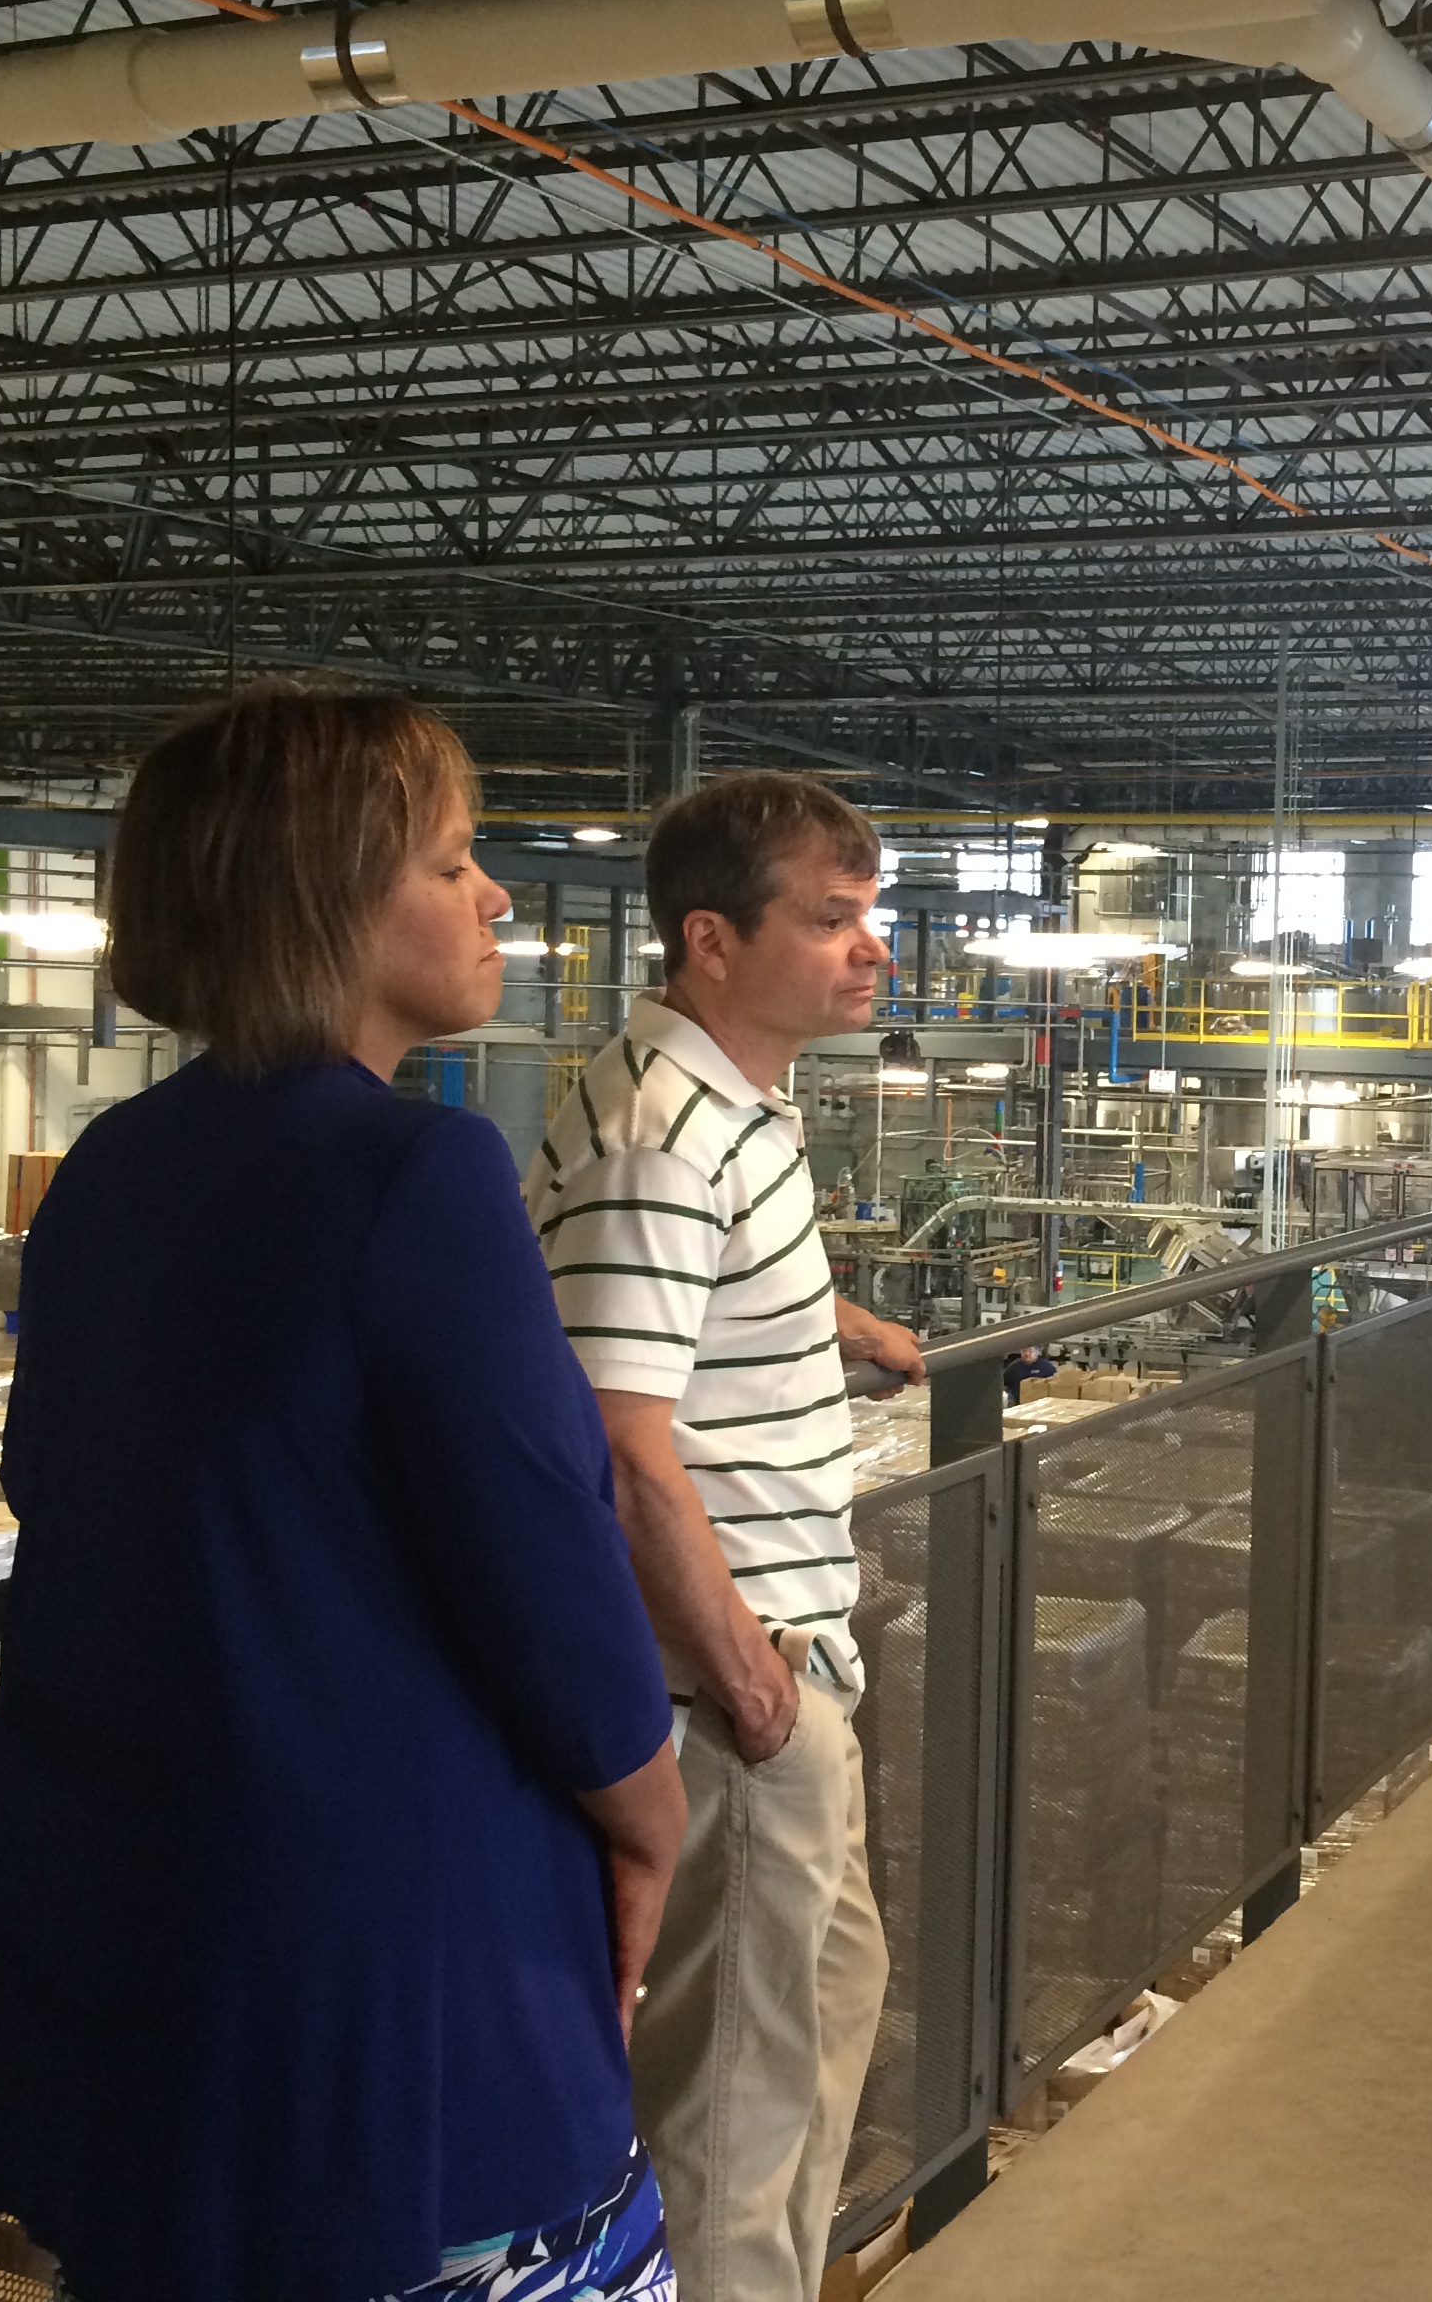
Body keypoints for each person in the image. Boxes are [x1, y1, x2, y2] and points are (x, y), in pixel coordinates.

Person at [0, 684, 689, 2302]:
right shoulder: (413, 1177)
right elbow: (552, 1572)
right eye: (452, 862)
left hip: (139, 1940)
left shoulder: (114, 1174)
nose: (497, 894)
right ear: (330, 902)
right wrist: (654, 1821)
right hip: (394, 1977)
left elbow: (72, 1500)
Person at [525, 770, 926, 2302]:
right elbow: (626, 1455)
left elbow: (684, 1302)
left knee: (828, 1999)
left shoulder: (729, 1102)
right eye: (831, 922)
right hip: (730, 1683)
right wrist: (749, 1685)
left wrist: (844, 1323)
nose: (870, 950)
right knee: (729, 2114)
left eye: (867, 917)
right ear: (711, 939)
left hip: (785, 1654)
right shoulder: (660, 1136)